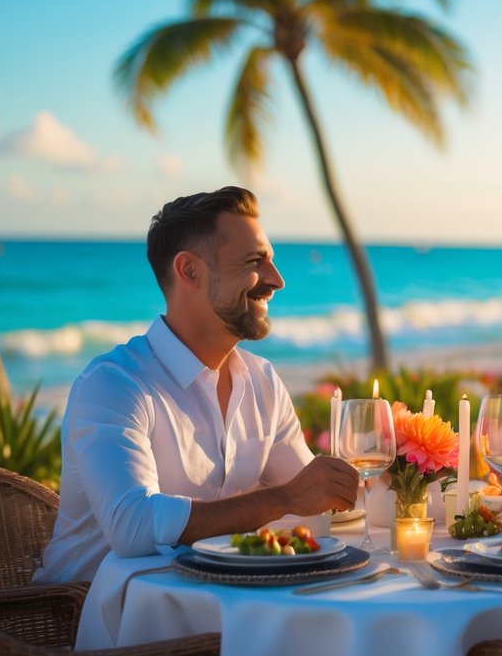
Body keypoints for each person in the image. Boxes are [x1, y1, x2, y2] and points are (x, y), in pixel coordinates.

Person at [36, 187, 359, 583]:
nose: (277, 281)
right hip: (95, 619)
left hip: (218, 604)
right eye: (255, 262)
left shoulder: (262, 382)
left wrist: (406, 474)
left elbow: (314, 492)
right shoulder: (114, 385)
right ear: (189, 271)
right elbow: (133, 526)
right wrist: (285, 499)